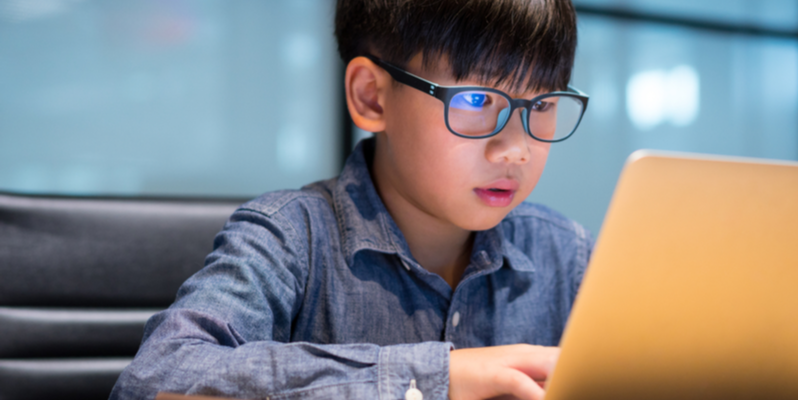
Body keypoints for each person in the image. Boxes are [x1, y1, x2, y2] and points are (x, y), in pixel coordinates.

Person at [111, 0, 593, 399]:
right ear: (372, 98)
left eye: (543, 105)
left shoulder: (566, 253)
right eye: (475, 100)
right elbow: (158, 379)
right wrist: (434, 379)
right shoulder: (290, 237)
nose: (516, 149)